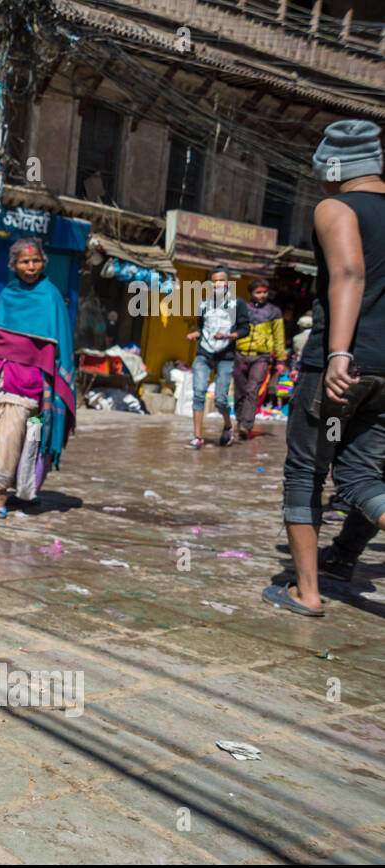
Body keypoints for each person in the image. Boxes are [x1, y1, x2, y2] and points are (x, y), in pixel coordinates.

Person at [265, 119, 385, 616]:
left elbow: (349, 272)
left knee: (305, 473)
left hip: (341, 365)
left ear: (335, 168)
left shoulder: (335, 208)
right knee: (360, 478)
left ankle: (307, 593)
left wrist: (338, 353)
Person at [0, 239, 77, 518]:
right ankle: (0, 497)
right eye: (24, 262)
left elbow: (61, 344)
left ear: (43, 262)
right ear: (13, 266)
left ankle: (25, 490)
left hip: (40, 387)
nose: (31, 266)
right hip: (8, 383)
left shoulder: (50, 296)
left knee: (33, 441)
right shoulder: (7, 296)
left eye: (36, 260)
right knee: (7, 437)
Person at [186, 265, 251, 448]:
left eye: (221, 280)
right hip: (204, 354)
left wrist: (229, 336)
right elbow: (202, 327)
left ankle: (228, 426)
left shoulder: (237, 304)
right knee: (198, 393)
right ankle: (198, 437)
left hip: (226, 356)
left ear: (228, 283)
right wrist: (195, 335)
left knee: (221, 399)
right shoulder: (204, 305)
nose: (218, 284)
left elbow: (245, 329)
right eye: (214, 281)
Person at [232, 278, 286, 439]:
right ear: (251, 293)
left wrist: (281, 360)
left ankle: (246, 425)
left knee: (252, 389)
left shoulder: (274, 312)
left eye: (264, 292)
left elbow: (279, 337)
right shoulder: (241, 308)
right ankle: (240, 419)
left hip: (261, 357)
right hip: (240, 354)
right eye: (258, 292)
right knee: (239, 390)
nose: (262, 295)